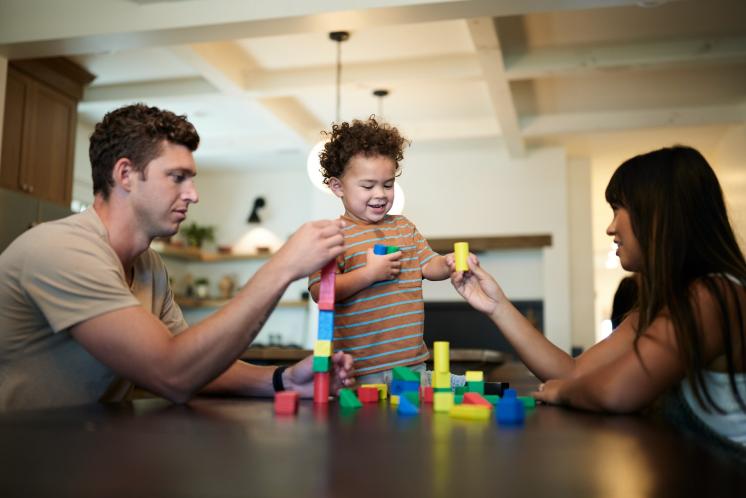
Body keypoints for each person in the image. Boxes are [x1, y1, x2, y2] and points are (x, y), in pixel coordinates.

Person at [0, 103, 354, 411]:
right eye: (177, 178)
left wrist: (284, 380)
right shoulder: (62, 250)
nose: (193, 195)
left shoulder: (149, 266)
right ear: (125, 175)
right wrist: (283, 267)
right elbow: (173, 374)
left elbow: (196, 362)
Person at [450, 146, 746, 447]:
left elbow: (617, 391)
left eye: (619, 209)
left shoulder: (712, 295)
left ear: (660, 215)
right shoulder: (661, 306)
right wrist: (496, 305)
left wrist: (561, 392)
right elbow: (574, 372)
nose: (611, 227)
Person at [308, 117, 455, 386]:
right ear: (337, 186)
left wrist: (449, 264)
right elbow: (320, 291)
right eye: (368, 186)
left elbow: (428, 264)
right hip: (360, 371)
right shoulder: (332, 235)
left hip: (412, 364)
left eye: (388, 184)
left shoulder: (403, 226)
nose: (381, 194)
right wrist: (369, 274)